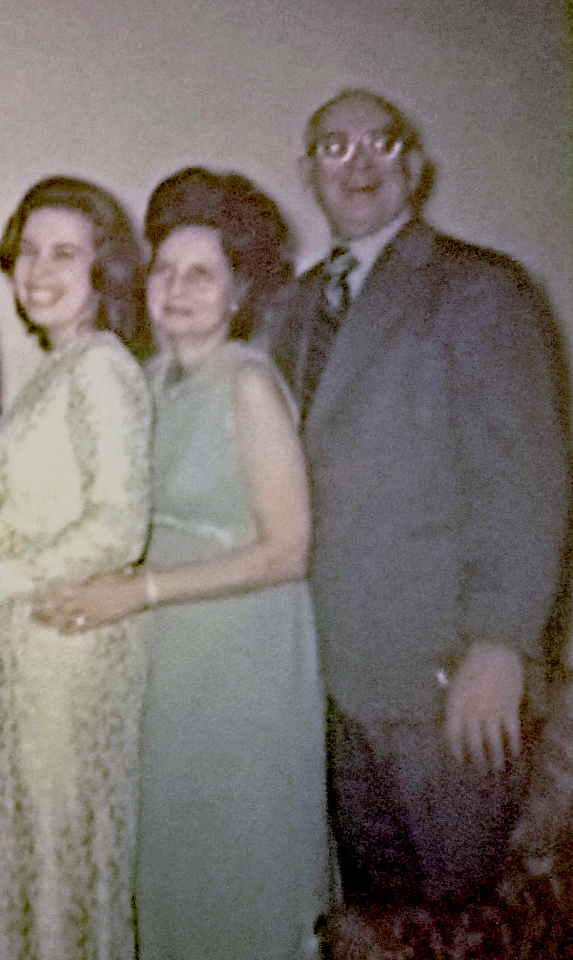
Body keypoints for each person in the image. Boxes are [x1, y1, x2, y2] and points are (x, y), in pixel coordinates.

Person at [266, 89, 570, 905]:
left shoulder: (481, 289)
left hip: (444, 688)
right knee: (373, 923)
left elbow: (526, 479)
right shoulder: (288, 311)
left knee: (463, 916)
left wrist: (501, 644)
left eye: (381, 143)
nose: (359, 162)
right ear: (308, 172)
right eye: (335, 147)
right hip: (321, 685)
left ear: (414, 165)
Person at [38, 168, 330, 959]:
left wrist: (142, 590)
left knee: (232, 875)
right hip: (166, 657)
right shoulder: (150, 382)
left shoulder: (249, 384)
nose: (177, 288)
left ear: (240, 290)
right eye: (164, 270)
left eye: (202, 273)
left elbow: (288, 550)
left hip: (242, 662)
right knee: (167, 875)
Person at [0, 176, 152, 960]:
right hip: (17, 646)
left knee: (51, 858)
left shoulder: (102, 370)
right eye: (29, 252)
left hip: (63, 648)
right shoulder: (56, 371)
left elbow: (118, 526)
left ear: (105, 272)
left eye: (66, 253)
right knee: (12, 850)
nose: (40, 270)